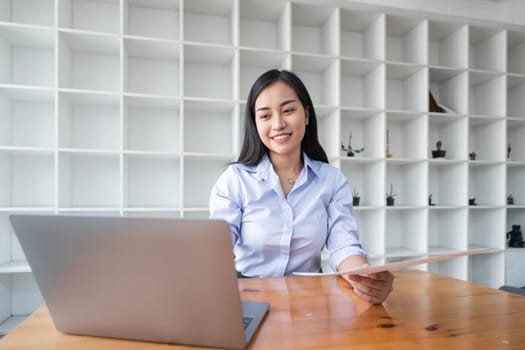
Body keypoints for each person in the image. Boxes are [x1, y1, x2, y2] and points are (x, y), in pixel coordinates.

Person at [209, 69, 393, 304]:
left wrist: (366, 276)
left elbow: (344, 245)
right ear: (255, 124)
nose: (278, 124)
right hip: (249, 295)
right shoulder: (235, 179)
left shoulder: (331, 180)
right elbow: (219, 246)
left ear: (306, 114)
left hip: (310, 298)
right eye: (265, 116)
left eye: (288, 110)